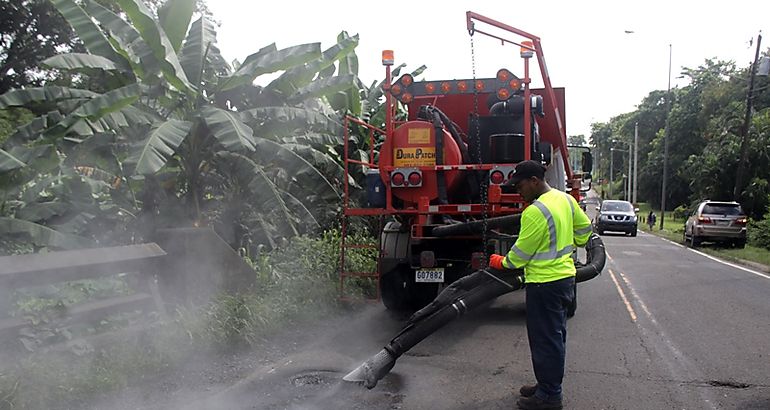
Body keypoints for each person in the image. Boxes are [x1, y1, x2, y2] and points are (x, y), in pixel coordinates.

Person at [488, 160, 592, 410]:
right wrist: (572, 243)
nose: (518, 191)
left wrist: (500, 261)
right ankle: (547, 384)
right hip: (565, 280)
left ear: (534, 181)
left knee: (545, 340)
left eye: (520, 185)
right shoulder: (565, 199)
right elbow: (585, 229)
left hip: (544, 284)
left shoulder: (535, 212)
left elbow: (519, 257)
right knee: (555, 337)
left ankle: (550, 396)